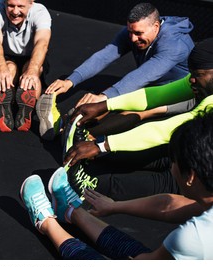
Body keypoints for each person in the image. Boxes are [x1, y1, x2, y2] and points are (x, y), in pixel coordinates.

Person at [21, 112, 213, 259]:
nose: (171, 167)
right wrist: (115, 206)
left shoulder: (195, 237)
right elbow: (173, 205)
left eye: (174, 162)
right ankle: (73, 212)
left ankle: (46, 223)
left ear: (191, 176)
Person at [38, 2, 194, 140]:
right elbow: (104, 56)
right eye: (130, 32)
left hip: (183, 95)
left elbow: (144, 75)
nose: (133, 39)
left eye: (138, 34)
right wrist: (71, 80)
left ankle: (87, 136)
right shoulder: (136, 30)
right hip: (153, 85)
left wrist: (104, 98)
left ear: (156, 27)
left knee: (133, 106)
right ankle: (68, 122)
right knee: (112, 97)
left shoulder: (174, 44)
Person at [64, 37, 213, 172]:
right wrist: (104, 105)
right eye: (191, 74)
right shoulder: (197, 79)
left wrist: (101, 146)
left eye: (198, 75)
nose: (191, 80)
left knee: (172, 172)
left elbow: (166, 130)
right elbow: (154, 96)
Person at [0, 0, 51, 132]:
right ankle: (11, 110)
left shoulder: (41, 12)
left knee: (32, 75)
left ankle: (26, 111)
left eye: (20, 6)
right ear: (4, 3)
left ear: (31, 3)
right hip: (7, 56)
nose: (15, 12)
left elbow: (42, 42)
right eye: (11, 6)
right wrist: (0, 67)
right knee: (8, 69)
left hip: (32, 56)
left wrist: (33, 70)